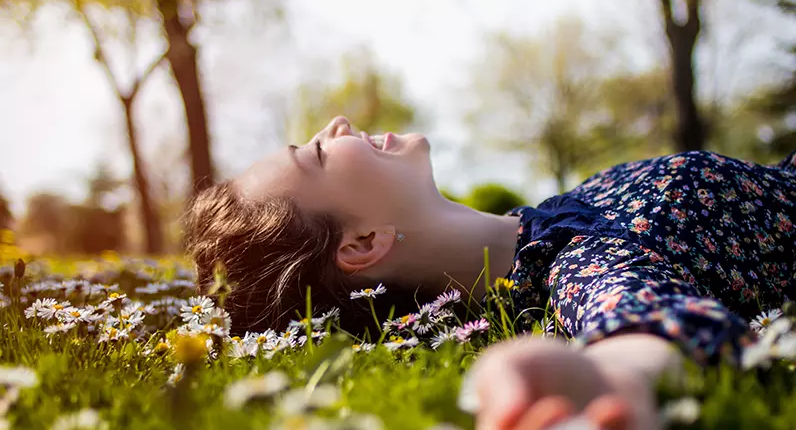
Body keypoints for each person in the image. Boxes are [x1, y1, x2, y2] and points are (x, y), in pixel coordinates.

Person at [184, 116, 796, 429]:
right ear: (364, 243)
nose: (337, 125)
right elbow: (646, 323)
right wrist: (604, 380)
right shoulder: (580, 266)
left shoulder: (557, 217)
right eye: (317, 152)